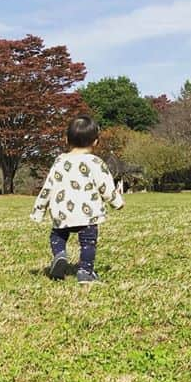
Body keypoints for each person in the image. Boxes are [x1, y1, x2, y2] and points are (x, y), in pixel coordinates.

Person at [31, 115, 124, 284]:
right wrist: (117, 202)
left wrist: (38, 211)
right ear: (96, 142)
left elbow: (48, 187)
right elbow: (106, 186)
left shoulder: (60, 161)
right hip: (87, 213)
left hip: (62, 212)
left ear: (66, 139)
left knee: (58, 235)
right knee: (88, 242)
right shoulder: (95, 162)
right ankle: (85, 271)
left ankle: (60, 254)